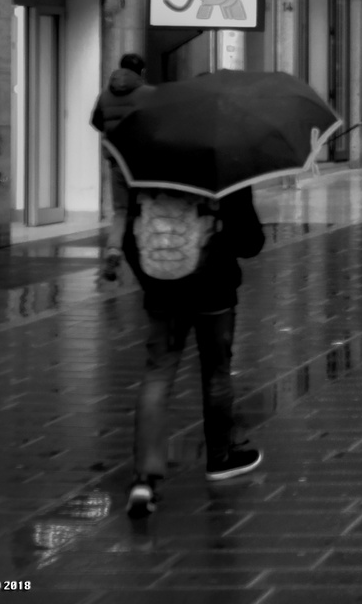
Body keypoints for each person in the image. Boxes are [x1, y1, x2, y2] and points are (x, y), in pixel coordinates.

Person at [122, 186, 266, 518]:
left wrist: (151, 278)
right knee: (216, 372)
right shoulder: (227, 172)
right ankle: (220, 458)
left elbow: (132, 236)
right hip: (214, 290)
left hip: (163, 292)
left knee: (157, 375)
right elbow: (250, 242)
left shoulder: (148, 174)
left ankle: (144, 478)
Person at [91, 53, 154, 251]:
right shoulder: (148, 93)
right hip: (141, 160)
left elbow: (96, 121)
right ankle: (142, 251)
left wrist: (111, 132)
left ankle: (114, 249)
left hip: (116, 159)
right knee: (143, 207)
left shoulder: (105, 94)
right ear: (141, 71)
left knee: (120, 209)